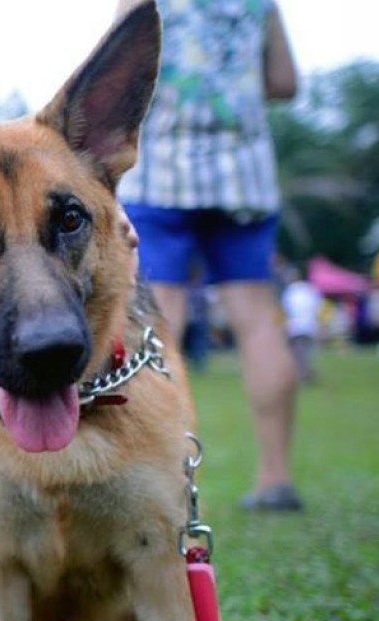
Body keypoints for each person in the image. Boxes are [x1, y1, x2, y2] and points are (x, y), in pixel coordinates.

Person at [115, 0, 304, 512]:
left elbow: (117, 66)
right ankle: (275, 477)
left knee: (158, 323)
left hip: (165, 174)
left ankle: (157, 474)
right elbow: (285, 82)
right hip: (243, 175)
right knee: (259, 322)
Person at [280, 267, 322, 384]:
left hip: (296, 326)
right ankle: (305, 372)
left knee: (298, 351)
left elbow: (287, 309)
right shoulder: (310, 289)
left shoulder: (290, 291)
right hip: (310, 325)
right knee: (305, 351)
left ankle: (304, 373)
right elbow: (317, 307)